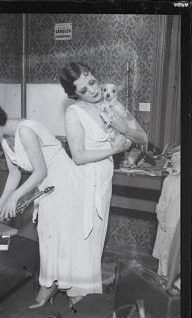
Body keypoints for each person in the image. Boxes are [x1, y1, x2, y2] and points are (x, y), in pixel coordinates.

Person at [0, 101, 73, 309]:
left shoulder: (26, 131)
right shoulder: (5, 139)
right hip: (46, 185)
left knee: (57, 234)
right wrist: (0, 204)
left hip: (64, 182)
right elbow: (14, 173)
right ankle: (51, 284)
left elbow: (41, 171)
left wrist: (15, 198)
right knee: (47, 233)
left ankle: (61, 287)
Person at [60, 62, 148, 305]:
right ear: (74, 94)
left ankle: (88, 300)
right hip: (83, 181)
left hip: (103, 180)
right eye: (83, 90)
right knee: (82, 239)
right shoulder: (73, 113)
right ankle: (78, 302)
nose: (92, 90)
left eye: (91, 81)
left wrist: (121, 126)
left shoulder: (113, 105)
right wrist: (115, 148)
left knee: (96, 236)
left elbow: (142, 137)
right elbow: (78, 156)